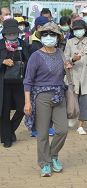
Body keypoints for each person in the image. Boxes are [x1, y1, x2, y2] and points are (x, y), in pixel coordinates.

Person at [23, 22, 68, 177]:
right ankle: (44, 163)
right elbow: (28, 80)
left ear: (57, 37)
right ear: (41, 37)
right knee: (42, 133)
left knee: (63, 129)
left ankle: (53, 155)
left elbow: (64, 73)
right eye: (45, 34)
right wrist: (27, 102)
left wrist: (69, 66)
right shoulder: (35, 56)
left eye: (52, 34)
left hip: (59, 95)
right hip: (41, 97)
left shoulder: (61, 53)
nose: (49, 37)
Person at [0, 19, 30, 148]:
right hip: (4, 83)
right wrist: (2, 61)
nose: (12, 35)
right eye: (9, 33)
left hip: (19, 82)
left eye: (14, 32)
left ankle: (9, 130)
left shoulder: (23, 44)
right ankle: (7, 138)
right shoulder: (0, 44)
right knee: (4, 110)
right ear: (4, 33)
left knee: (22, 108)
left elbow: (29, 60)